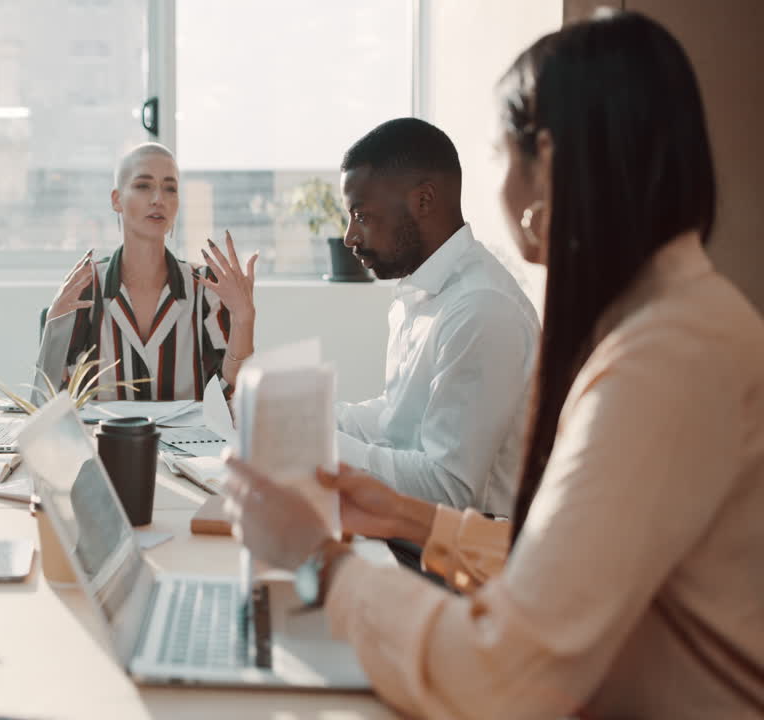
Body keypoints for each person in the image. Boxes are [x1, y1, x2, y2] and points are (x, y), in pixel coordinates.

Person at [227, 11, 764, 718]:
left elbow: (506, 678)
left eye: (498, 153)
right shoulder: (667, 324)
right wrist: (413, 519)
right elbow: (571, 567)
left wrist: (321, 564)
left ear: (550, 162)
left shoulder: (665, 355)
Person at [334, 118, 540, 515]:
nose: (350, 237)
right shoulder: (422, 293)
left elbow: (449, 489)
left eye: (361, 215)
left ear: (424, 201)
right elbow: (399, 420)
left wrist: (324, 447)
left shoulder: (481, 307)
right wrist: (306, 418)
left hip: (465, 564)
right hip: (413, 535)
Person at [35, 142, 257, 401]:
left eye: (169, 188)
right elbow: (48, 403)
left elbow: (231, 395)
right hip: (104, 441)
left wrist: (244, 320)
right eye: (143, 186)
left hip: (190, 443)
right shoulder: (86, 286)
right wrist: (55, 328)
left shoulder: (206, 288)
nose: (158, 199)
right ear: (116, 199)